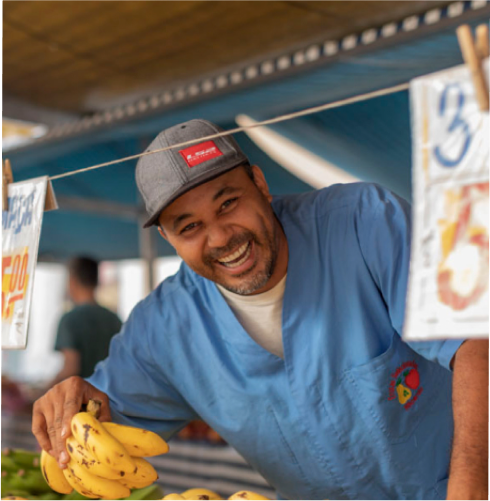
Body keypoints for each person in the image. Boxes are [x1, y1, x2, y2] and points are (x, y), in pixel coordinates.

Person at [33, 120, 489, 501]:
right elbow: (107, 425)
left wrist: (470, 486)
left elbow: (473, 337)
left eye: (228, 202)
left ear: (260, 183)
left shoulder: (363, 223)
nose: (220, 237)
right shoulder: (163, 329)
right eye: (189, 227)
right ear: (168, 240)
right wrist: (74, 405)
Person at [48, 257, 122, 387]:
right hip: (112, 399)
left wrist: (45, 390)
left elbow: (71, 368)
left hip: (83, 402)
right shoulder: (114, 319)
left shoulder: (70, 319)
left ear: (72, 280)